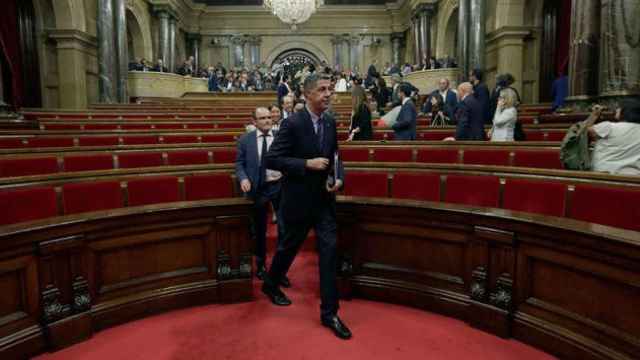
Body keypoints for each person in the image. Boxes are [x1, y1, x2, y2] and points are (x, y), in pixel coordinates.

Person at [262, 73, 351, 340]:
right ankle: (271, 283)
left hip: (324, 202)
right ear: (308, 94)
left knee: (329, 252)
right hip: (298, 201)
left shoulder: (331, 122)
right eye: (323, 90)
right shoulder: (292, 123)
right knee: (288, 247)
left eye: (330, 90)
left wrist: (339, 178)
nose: (328, 94)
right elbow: (272, 159)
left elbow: (335, 156)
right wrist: (305, 164)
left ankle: (329, 313)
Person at [235, 107, 290, 287]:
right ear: (254, 121)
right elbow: (239, 164)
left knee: (283, 229)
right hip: (258, 188)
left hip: (279, 186)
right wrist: (243, 178)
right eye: (263, 118)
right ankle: (260, 266)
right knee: (259, 230)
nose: (268, 120)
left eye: (269, 117)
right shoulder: (245, 140)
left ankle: (280, 270)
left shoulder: (281, 137)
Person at [588, 98, 640, 175]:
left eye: (619, 108)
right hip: (633, 176)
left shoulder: (608, 127)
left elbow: (584, 132)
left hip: (605, 175)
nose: (616, 110)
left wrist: (594, 115)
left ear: (625, 111)